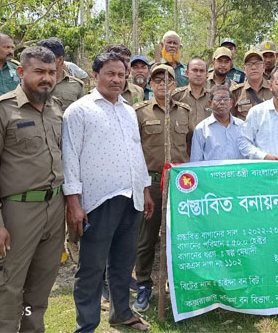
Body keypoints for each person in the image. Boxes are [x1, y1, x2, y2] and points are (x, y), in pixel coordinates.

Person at [0, 46, 65, 332]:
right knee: (7, 289)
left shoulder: (55, 108)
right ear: (21, 72)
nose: (46, 78)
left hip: (54, 208)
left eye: (51, 73)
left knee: (39, 290)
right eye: (39, 72)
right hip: (17, 212)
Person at [63, 52, 154, 332]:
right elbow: (69, 158)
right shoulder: (79, 110)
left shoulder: (128, 110)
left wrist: (145, 189)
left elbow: (135, 152)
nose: (117, 79)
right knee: (91, 268)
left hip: (132, 198)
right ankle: (87, 325)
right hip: (98, 200)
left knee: (124, 262)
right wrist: (74, 202)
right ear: (95, 75)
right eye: (110, 74)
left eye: (120, 74)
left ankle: (121, 313)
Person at [133, 65, 192, 312]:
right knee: (146, 238)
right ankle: (144, 284)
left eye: (167, 80)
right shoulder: (139, 112)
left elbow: (189, 144)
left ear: (174, 85)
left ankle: (173, 282)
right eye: (156, 80)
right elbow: (134, 151)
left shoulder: (185, 112)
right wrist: (143, 186)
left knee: (178, 237)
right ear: (150, 84)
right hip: (152, 183)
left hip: (180, 185)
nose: (161, 84)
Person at [191, 85, 245, 162]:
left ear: (231, 103)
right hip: (211, 174)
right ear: (210, 103)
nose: (222, 102)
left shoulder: (242, 126)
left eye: (226, 99)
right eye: (218, 99)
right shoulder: (201, 129)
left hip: (239, 173)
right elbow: (195, 161)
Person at [38, 37, 85, 112]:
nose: (41, 62)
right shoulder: (33, 83)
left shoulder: (77, 85)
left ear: (60, 60)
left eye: (46, 59)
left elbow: (82, 114)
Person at [230, 49, 273, 120]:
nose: (253, 67)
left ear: (263, 67)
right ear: (244, 69)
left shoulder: (274, 89)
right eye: (249, 64)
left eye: (257, 64)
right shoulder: (236, 92)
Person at [173, 58, 211, 128]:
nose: (198, 74)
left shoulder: (212, 97)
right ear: (187, 73)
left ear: (206, 74)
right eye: (195, 70)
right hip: (183, 138)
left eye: (202, 71)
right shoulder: (176, 96)